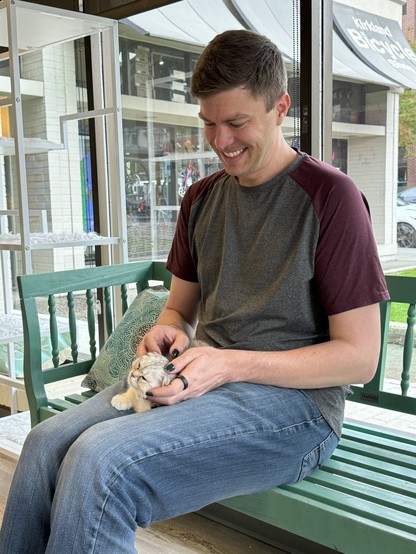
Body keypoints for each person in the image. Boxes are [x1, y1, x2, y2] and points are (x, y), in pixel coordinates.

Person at [0, 30, 389, 554]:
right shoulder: (201, 199)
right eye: (208, 122)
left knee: (100, 462)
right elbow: (180, 311)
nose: (219, 141)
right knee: (45, 443)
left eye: (236, 123)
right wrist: (168, 332)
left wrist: (228, 364)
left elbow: (359, 359)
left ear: (280, 108)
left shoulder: (331, 197)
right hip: (201, 386)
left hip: (298, 413)